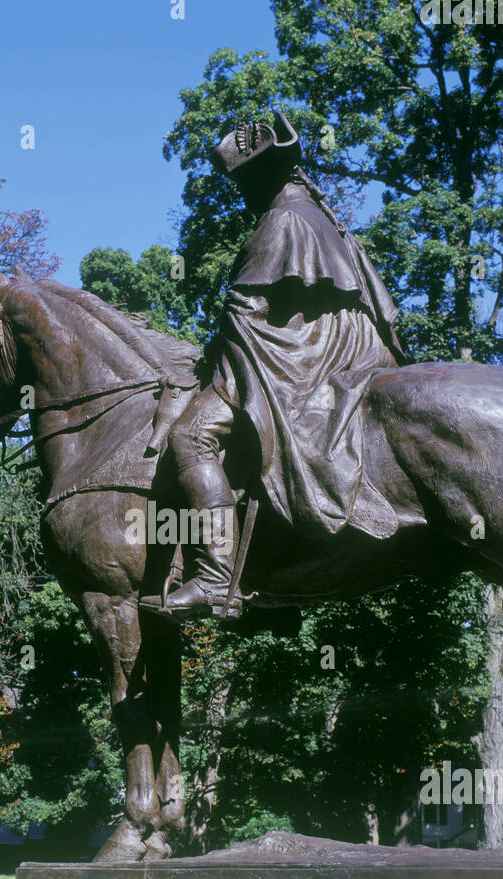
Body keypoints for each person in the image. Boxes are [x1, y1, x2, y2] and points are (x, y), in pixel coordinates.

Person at [141, 112, 408, 620]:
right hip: (339, 346)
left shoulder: (282, 220)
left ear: (261, 176)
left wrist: (211, 360)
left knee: (190, 437)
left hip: (305, 352)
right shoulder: (324, 220)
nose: (240, 192)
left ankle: (216, 577)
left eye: (242, 181)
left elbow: (247, 312)